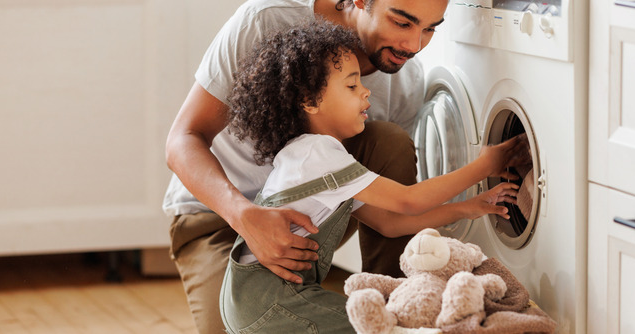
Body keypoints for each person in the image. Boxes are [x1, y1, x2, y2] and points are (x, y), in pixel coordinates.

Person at [164, 0, 462, 332]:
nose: (413, 45)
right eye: (402, 22)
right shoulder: (266, 21)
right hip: (216, 215)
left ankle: (390, 307)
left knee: (390, 144)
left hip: (309, 217)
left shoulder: (404, 80)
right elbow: (182, 140)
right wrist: (246, 217)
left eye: (430, 28)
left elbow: (386, 210)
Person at [220, 20, 526, 333]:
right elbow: (407, 201)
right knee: (382, 326)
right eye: (351, 86)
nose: (366, 91)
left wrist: (470, 207)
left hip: (249, 300)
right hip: (271, 301)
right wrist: (486, 165)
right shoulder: (318, 154)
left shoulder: (311, 157)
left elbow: (389, 224)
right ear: (310, 102)